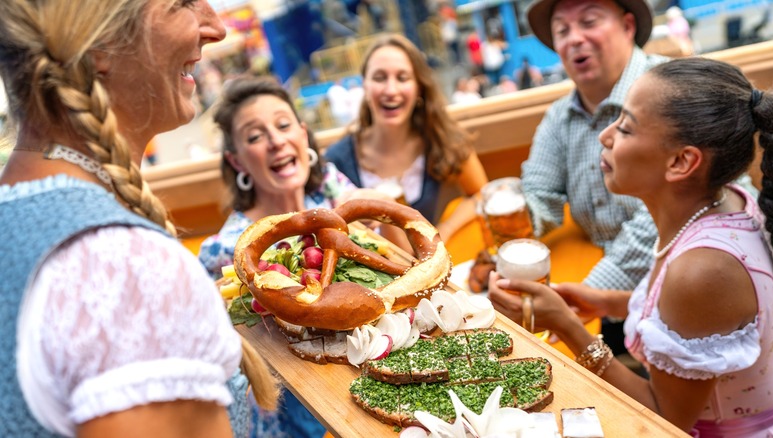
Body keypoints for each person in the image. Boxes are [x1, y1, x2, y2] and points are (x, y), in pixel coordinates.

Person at [0, 1, 278, 437]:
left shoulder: (20, 214)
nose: (216, 27)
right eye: (182, 4)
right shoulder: (120, 267)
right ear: (99, 45)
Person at [489, 56, 773, 436]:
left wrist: (569, 328)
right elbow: (702, 322)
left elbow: (666, 420)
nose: (604, 136)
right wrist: (607, 302)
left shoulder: (702, 270)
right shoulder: (727, 200)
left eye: (625, 128)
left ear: (681, 162)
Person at [198, 77, 403, 437]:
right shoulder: (227, 250)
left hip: (374, 379)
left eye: (282, 125)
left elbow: (389, 258)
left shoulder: (330, 188)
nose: (276, 140)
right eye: (255, 136)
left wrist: (385, 216)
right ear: (237, 161)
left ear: (303, 135)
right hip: (294, 413)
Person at [520, 0, 667, 355]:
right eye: (562, 30)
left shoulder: (671, 90)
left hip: (678, 287)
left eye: (589, 21)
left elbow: (667, 215)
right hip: (605, 300)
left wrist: (588, 294)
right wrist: (514, 228)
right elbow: (540, 195)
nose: (575, 39)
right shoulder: (560, 116)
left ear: (628, 26)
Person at [324, 34, 489, 244]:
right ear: (364, 86)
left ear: (419, 87)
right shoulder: (336, 160)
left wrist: (442, 232)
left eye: (402, 78)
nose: (391, 90)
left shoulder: (440, 139)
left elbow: (480, 193)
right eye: (379, 78)